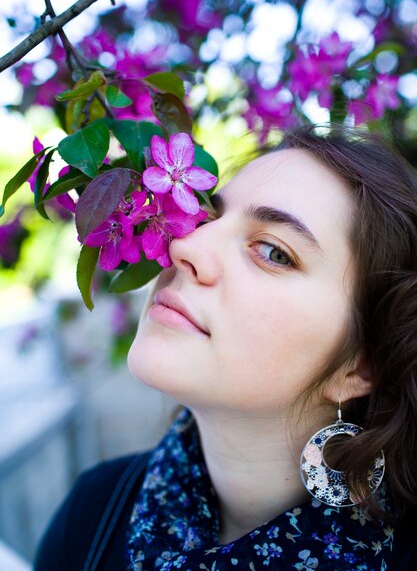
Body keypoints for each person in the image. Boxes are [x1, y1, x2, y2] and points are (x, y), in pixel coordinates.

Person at [34, 125, 417, 571]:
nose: (185, 244)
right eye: (205, 218)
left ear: (359, 366)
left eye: (273, 252)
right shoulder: (92, 516)